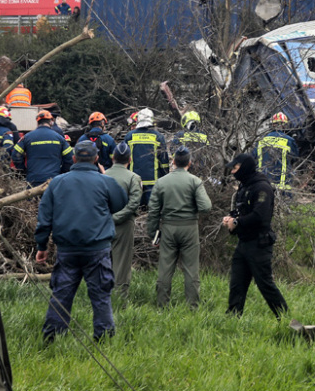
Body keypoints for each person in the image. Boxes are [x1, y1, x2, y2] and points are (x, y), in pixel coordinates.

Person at [34, 141, 127, 342]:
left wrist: (42, 247)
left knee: (61, 296)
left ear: (73, 158)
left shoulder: (57, 183)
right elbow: (120, 202)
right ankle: (104, 340)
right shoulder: (105, 181)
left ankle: (52, 339)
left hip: (67, 250)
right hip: (97, 250)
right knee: (101, 297)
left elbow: (44, 218)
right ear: (96, 159)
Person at [223, 153, 289, 318]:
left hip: (259, 244)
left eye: (236, 168)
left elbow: (260, 216)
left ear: (244, 168)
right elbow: (241, 210)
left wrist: (237, 223)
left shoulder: (261, 188)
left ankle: (285, 317)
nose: (232, 172)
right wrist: (231, 218)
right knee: (237, 284)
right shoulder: (245, 186)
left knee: (265, 284)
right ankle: (232, 318)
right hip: (243, 242)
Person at [147, 147, 212, 308]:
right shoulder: (195, 181)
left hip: (168, 228)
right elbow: (206, 207)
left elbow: (153, 211)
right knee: (191, 269)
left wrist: (153, 234)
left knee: (165, 268)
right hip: (189, 228)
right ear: (189, 163)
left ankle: (162, 305)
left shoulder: (161, 182)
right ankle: (193, 306)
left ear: (173, 162)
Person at [103, 141, 142, 300]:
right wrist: (118, 217)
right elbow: (134, 203)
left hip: (102, 225)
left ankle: (102, 297)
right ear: (130, 159)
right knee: (122, 265)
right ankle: (120, 300)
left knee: (103, 261)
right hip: (124, 226)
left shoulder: (103, 175)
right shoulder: (134, 178)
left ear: (113, 158)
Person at [13, 110, 72, 186]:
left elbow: (16, 155)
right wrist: (62, 172)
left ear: (37, 122)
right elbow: (70, 158)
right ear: (51, 122)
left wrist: (23, 171)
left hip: (33, 179)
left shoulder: (27, 137)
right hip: (54, 180)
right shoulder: (59, 138)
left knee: (34, 198)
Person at [125, 108, 169, 206]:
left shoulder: (129, 136)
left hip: (134, 182)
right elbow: (164, 162)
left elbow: (124, 159)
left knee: (135, 210)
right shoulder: (158, 137)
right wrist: (165, 179)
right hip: (152, 183)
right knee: (151, 211)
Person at [257, 112, 297, 194]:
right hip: (283, 183)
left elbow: (254, 157)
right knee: (286, 205)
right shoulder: (289, 140)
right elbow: (295, 157)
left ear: (272, 125)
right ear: (284, 125)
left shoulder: (262, 140)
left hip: (263, 182)